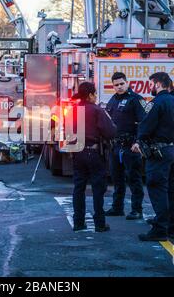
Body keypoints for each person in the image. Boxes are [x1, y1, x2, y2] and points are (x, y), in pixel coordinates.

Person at [131, 72, 174, 241]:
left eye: (151, 84)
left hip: (158, 153)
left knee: (157, 189)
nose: (150, 88)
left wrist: (139, 141)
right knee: (173, 189)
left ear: (157, 84)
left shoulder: (155, 103)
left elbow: (145, 126)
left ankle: (160, 229)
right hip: (173, 150)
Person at [71, 82, 116, 232]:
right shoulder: (97, 110)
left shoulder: (73, 110)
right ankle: (100, 223)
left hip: (78, 152)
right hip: (94, 152)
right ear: (90, 95)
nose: (96, 96)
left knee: (79, 188)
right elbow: (110, 132)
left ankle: (78, 222)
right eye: (95, 94)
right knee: (98, 188)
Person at [105, 72, 146, 220]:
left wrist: (138, 141)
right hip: (116, 146)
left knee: (134, 179)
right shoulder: (112, 100)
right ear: (113, 86)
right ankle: (117, 208)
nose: (119, 87)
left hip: (131, 145)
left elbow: (144, 122)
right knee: (117, 178)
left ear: (127, 83)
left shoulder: (136, 100)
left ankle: (137, 209)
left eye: (122, 84)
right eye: (116, 85)